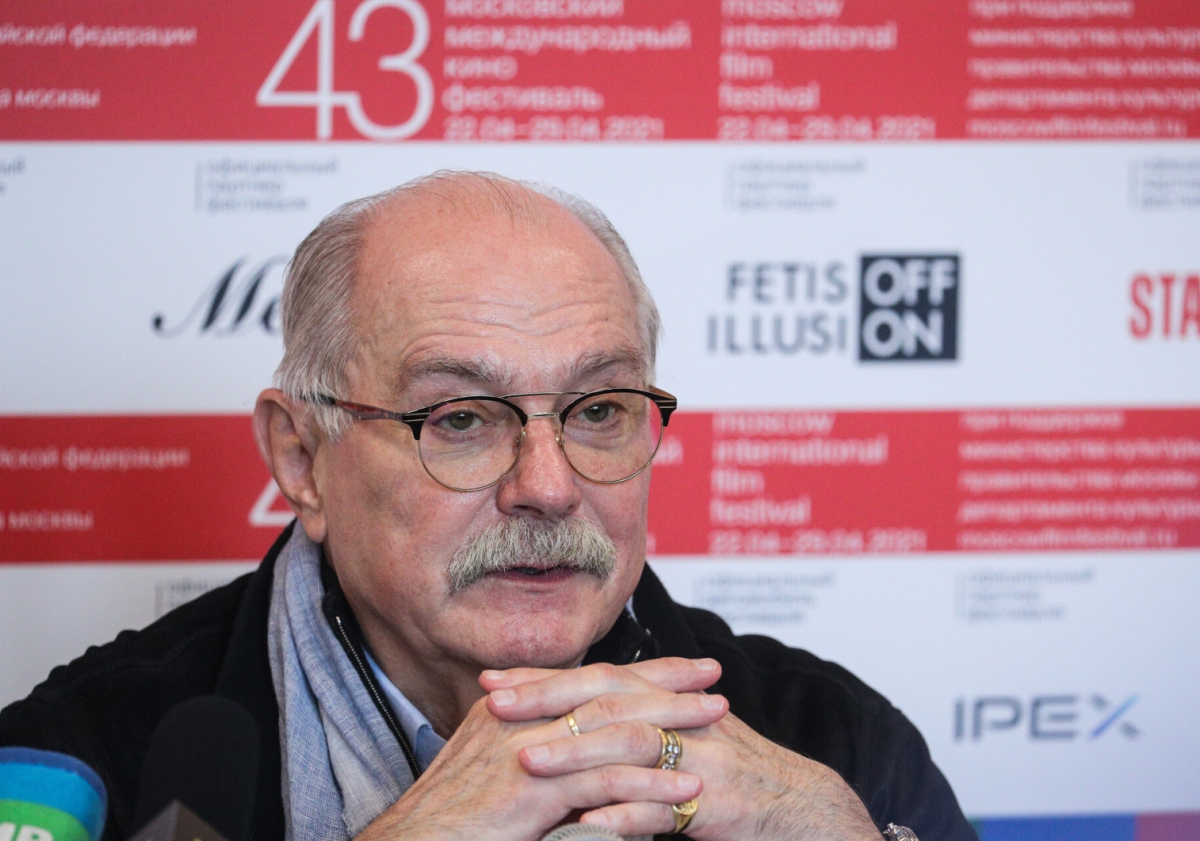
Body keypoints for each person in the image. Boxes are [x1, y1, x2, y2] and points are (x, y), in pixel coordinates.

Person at [1, 172, 975, 841]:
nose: (548, 486)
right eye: (461, 418)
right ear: (302, 458)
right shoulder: (84, 762)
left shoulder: (828, 744)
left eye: (599, 410)